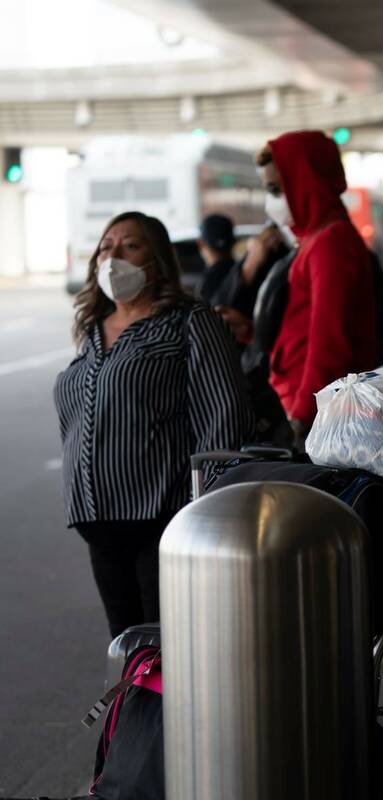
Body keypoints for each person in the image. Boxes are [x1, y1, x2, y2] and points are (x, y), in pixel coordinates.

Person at [54, 211, 253, 638]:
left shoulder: (189, 322)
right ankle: (133, 709)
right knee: (126, 648)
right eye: (106, 247)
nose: (114, 257)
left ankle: (164, 710)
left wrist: (203, 511)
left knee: (168, 649)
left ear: (156, 260)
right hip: (99, 522)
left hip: (162, 522)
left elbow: (225, 420)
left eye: (131, 246)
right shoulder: (93, 330)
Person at [257, 130, 377, 445]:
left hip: (317, 412)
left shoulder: (330, 243)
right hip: (311, 404)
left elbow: (329, 339)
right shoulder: (316, 239)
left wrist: (301, 415)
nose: (272, 201)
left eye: (275, 188)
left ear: (302, 181)